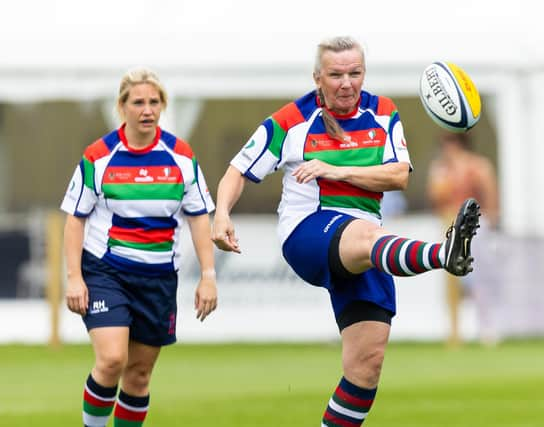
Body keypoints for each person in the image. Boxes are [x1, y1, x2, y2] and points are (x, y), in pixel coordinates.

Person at [212, 36, 480, 426]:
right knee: (365, 237)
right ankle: (444, 254)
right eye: (336, 75)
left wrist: (338, 170)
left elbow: (398, 175)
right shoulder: (292, 120)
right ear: (318, 77)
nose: (346, 83)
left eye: (354, 73)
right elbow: (238, 169)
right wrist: (221, 215)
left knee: (365, 367)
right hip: (308, 232)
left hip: (366, 242)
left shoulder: (383, 112)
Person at [61, 67, 217, 427]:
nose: (147, 110)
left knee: (139, 376)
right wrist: (74, 277)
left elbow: (198, 217)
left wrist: (208, 275)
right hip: (106, 272)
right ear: (122, 107)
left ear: (163, 105)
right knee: (112, 361)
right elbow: (75, 218)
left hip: (159, 277)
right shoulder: (99, 156)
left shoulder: (180, 156)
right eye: (138, 102)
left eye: (154, 102)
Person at [426, 131, 499, 347]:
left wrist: (490, 221)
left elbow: (488, 193)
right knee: (451, 280)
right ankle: (454, 333)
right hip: (449, 220)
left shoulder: (477, 166)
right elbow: (435, 197)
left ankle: (487, 329)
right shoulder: (441, 169)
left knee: (478, 278)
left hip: (473, 222)